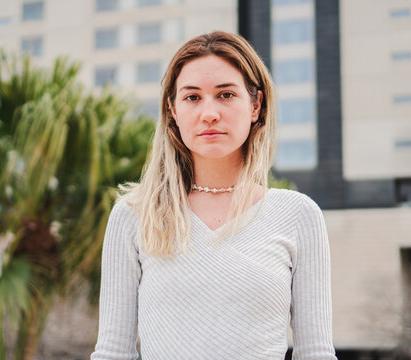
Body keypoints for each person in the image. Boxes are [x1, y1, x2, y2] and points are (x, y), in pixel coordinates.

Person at [90, 31, 337, 360]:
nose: (209, 113)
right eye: (192, 97)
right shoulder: (134, 215)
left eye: (226, 95)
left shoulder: (298, 215)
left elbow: (316, 353)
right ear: (172, 110)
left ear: (256, 105)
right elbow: (113, 353)